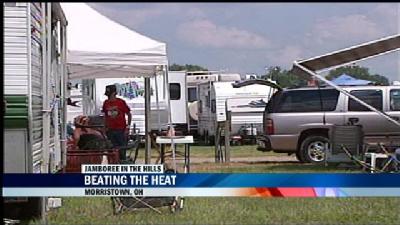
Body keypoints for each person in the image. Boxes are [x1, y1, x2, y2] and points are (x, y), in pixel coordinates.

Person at [102, 85, 132, 159]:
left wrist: (128, 127)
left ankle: (121, 164)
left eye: (110, 94)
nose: (108, 97)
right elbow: (105, 115)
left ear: (114, 93)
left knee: (121, 150)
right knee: (111, 151)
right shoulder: (105, 103)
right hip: (110, 130)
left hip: (121, 130)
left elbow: (129, 114)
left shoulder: (121, 102)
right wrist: (104, 127)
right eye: (107, 95)